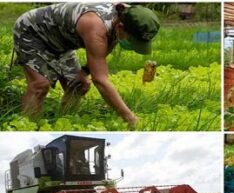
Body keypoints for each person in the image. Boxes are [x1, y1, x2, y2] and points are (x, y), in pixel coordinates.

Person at [13, 3, 160, 129]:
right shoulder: (95, 25)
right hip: (33, 31)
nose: (132, 44)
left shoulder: (128, 16)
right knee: (39, 85)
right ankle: (28, 125)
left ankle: (64, 121)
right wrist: (130, 118)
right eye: (132, 40)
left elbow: (103, 51)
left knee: (79, 85)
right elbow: (100, 80)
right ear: (120, 27)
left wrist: (84, 72)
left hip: (62, 41)